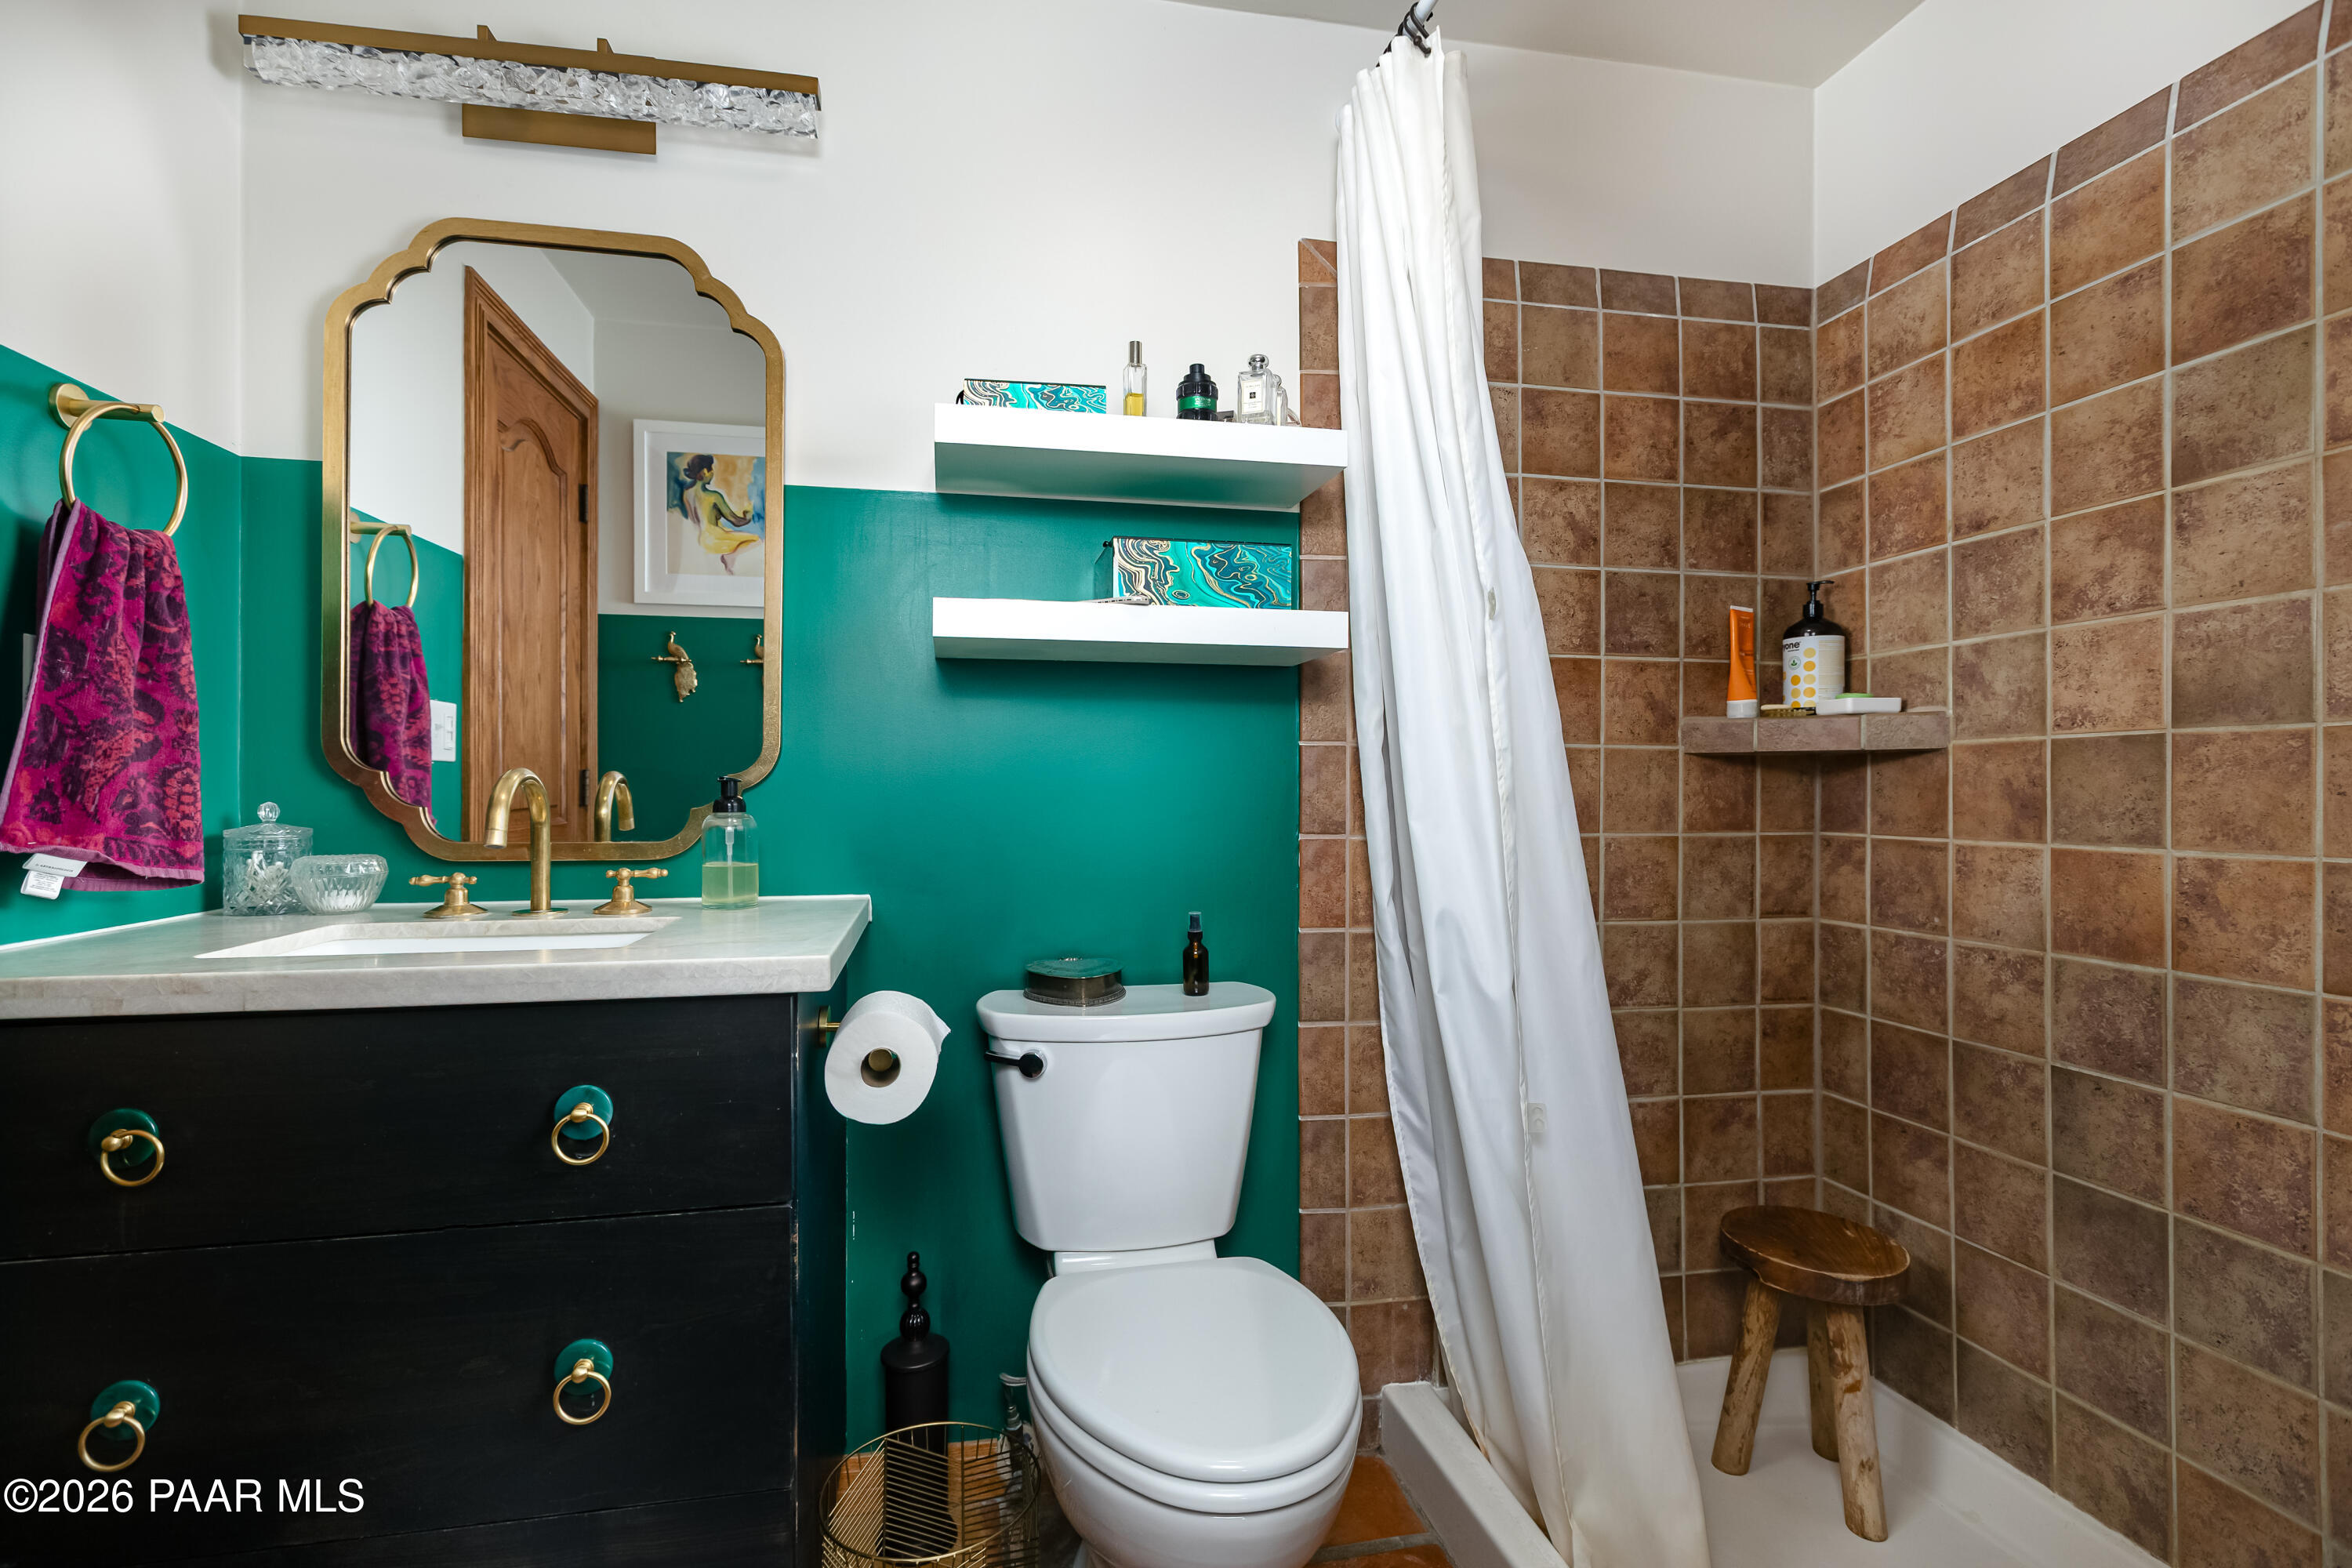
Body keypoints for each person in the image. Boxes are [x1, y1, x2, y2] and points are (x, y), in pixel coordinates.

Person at [676, 452, 760, 575]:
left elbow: (695, 519)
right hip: (714, 539)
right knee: (757, 540)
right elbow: (736, 522)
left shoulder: (687, 493)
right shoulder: (714, 497)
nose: (713, 473)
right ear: (705, 472)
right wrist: (748, 516)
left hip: (700, 538)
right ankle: (729, 557)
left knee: (727, 532)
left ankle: (729, 557)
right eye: (711, 469)